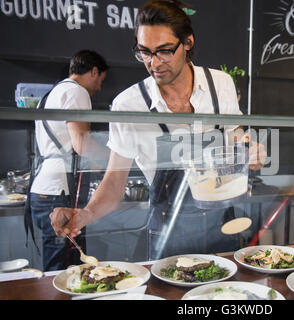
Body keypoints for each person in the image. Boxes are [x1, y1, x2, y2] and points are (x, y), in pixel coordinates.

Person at [49, 0, 266, 260]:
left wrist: (250, 150)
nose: (154, 63)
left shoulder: (220, 85)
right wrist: (84, 214)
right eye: (145, 52)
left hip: (223, 226)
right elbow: (114, 184)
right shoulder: (128, 105)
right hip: (169, 234)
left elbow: (236, 137)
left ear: (187, 42)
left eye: (164, 51)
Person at [27, 50, 110, 271]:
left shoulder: (51, 94)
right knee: (65, 270)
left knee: (64, 267)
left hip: (44, 189)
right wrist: (113, 161)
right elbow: (82, 144)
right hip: (59, 194)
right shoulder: (76, 92)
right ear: (93, 71)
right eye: (101, 80)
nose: (99, 88)